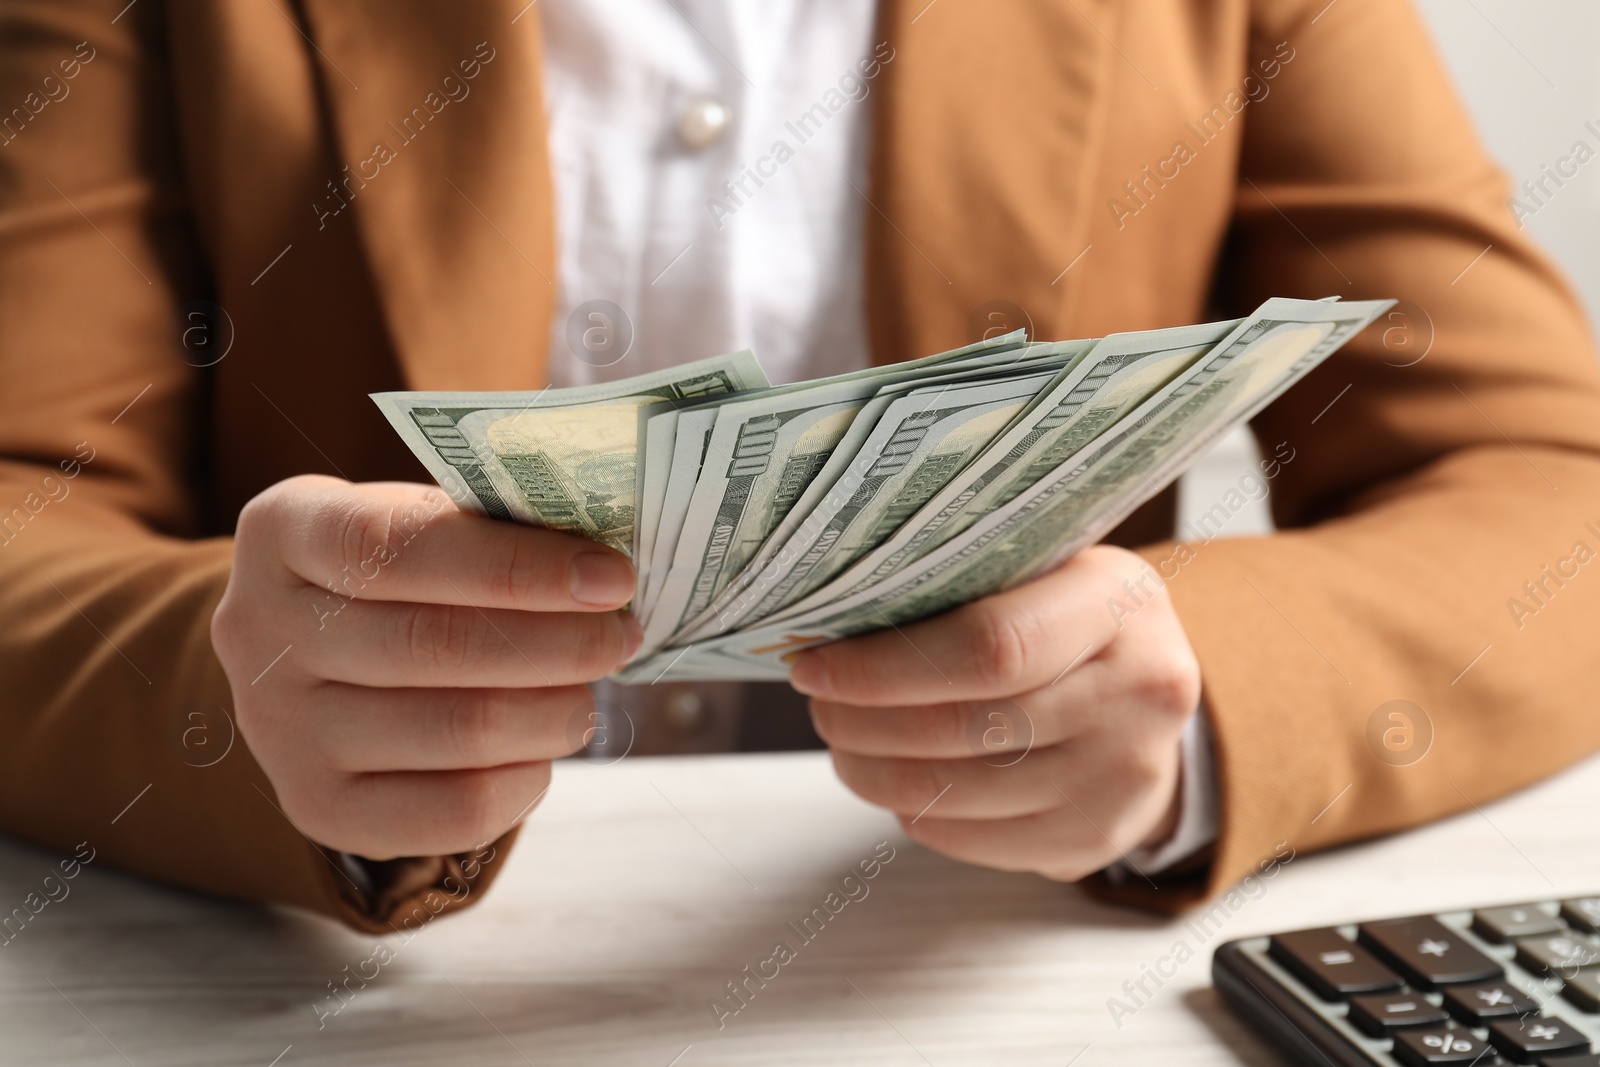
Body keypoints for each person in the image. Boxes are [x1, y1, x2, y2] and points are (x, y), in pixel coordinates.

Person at [2, 0, 1598, 935]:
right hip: (352, 989)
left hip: (986, 960)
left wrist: (1206, 702)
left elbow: (1550, 485)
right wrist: (243, 689)